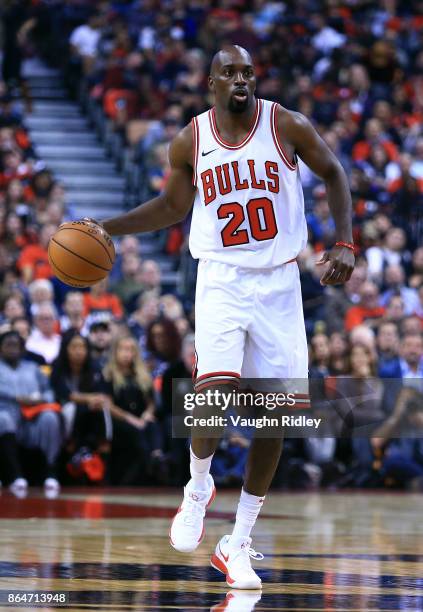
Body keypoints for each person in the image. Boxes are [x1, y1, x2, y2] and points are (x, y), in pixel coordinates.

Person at [87, 46, 355, 589]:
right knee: (214, 390)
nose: (241, 79)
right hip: (222, 279)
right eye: (229, 72)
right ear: (211, 82)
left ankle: (237, 543)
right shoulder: (191, 138)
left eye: (248, 72)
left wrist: (346, 242)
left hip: (280, 282)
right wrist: (108, 227)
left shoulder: (287, 125)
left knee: (278, 417)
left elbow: (335, 173)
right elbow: (170, 207)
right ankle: (197, 488)